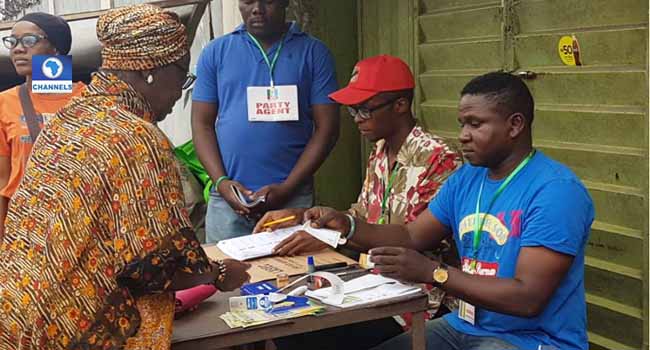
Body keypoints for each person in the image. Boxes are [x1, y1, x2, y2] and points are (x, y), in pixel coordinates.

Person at [259, 72, 594, 350]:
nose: (463, 136)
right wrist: (344, 224)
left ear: (515, 125)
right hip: (465, 324)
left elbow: (527, 298)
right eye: (462, 123)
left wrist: (434, 273)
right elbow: (411, 234)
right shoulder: (467, 179)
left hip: (532, 340)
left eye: (476, 124)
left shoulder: (555, 192)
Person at [0, 5, 250, 349]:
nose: (180, 93)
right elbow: (151, 265)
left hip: (22, 310)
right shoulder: (135, 138)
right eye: (181, 77)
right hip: (77, 328)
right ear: (152, 70)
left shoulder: (68, 118)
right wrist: (220, 275)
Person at [255, 55, 460, 331]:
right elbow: (363, 215)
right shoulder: (380, 151)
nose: (357, 120)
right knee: (284, 316)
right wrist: (308, 219)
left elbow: (417, 238)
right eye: (352, 111)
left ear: (400, 105)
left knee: (307, 332)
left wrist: (343, 229)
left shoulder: (439, 159)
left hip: (421, 298)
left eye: (364, 110)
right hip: (372, 282)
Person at [191, 0, 340, 242]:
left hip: (291, 199)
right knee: (225, 273)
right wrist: (221, 182)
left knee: (290, 274)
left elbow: (328, 129)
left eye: (268, 1)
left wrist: (288, 188)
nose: (257, 9)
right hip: (228, 200)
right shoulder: (216, 52)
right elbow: (201, 124)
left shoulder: (313, 53)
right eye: (248, 1)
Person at [0, 12, 85, 239]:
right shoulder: (4, 103)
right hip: (25, 233)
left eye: (29, 40)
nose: (18, 48)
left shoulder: (88, 99)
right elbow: (2, 180)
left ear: (55, 48)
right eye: (12, 41)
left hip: (80, 228)